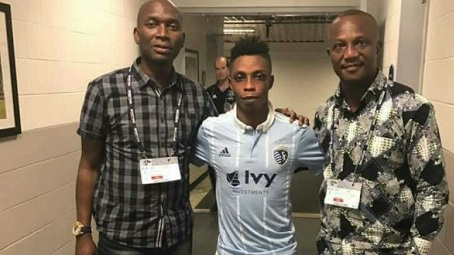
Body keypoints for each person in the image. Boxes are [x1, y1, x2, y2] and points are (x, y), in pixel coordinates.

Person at [74, 1, 217, 254]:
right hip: (122, 239)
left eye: (172, 26)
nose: (162, 33)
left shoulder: (196, 95)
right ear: (137, 34)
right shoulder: (104, 90)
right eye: (152, 24)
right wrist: (83, 232)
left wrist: (275, 114)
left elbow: (229, 135)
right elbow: (89, 166)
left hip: (178, 237)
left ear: (182, 39)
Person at [314, 9, 449, 254]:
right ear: (330, 54)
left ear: (377, 47)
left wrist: (416, 251)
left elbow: (432, 190)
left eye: (360, 42)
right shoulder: (325, 113)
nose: (350, 54)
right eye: (340, 46)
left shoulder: (411, 108)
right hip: (332, 249)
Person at [193, 36, 325, 255]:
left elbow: (334, 169)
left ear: (270, 81)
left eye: (258, 76)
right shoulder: (211, 131)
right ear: (231, 82)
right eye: (240, 77)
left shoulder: (297, 133)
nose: (249, 86)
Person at [205, 56, 235, 212]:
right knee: (214, 171)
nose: (220, 72)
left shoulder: (236, 90)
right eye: (217, 69)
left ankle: (231, 201)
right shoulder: (209, 92)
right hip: (214, 140)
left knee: (231, 172)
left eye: (223, 68)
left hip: (232, 139)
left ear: (229, 69)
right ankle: (218, 201)